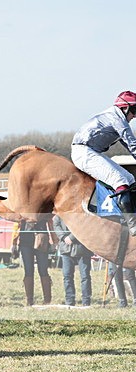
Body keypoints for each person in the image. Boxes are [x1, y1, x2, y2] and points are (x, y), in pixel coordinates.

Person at [71, 90, 136, 236]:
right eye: (134, 111)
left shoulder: (117, 118)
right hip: (83, 152)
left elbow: (130, 147)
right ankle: (132, 224)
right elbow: (133, 145)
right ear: (125, 108)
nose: (135, 116)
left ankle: (130, 215)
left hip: (90, 151)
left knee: (130, 179)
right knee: (120, 181)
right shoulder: (118, 119)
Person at [11, 218, 56, 306]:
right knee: (28, 271)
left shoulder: (43, 208)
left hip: (41, 239)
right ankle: (30, 301)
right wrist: (14, 242)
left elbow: (50, 221)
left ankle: (47, 300)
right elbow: (17, 223)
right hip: (26, 240)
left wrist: (55, 240)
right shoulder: (22, 210)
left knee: (43, 270)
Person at [52, 214, 93, 307]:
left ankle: (86, 300)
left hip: (82, 248)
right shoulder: (60, 213)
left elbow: (83, 226)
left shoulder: (81, 211)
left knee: (85, 276)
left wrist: (71, 237)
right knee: (67, 276)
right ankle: (69, 300)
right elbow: (56, 225)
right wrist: (63, 237)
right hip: (66, 248)